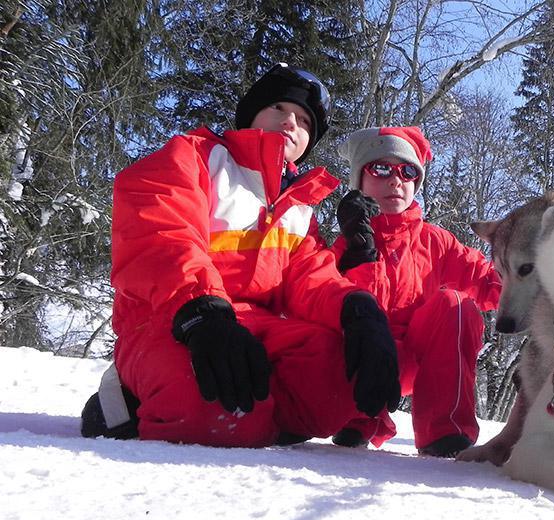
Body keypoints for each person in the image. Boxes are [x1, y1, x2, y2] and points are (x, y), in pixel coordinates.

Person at [79, 63, 401, 447]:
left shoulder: (298, 205)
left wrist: (357, 310)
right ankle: (123, 401)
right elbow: (162, 231)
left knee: (341, 377)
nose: (290, 122)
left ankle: (250, 415)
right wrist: (203, 311)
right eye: (279, 108)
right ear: (251, 114)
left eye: (303, 120)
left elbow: (313, 276)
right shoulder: (196, 156)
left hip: (259, 331)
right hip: (175, 322)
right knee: (214, 410)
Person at [330, 126, 501, 457]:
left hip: (416, 359)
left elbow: (486, 280)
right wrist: (360, 254)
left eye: (407, 172)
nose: (396, 180)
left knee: (457, 304)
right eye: (381, 168)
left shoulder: (436, 241)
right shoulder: (343, 244)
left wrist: (538, 281)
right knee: (338, 315)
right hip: (358, 358)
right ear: (359, 181)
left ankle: (445, 431)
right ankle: (359, 417)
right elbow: (324, 302)